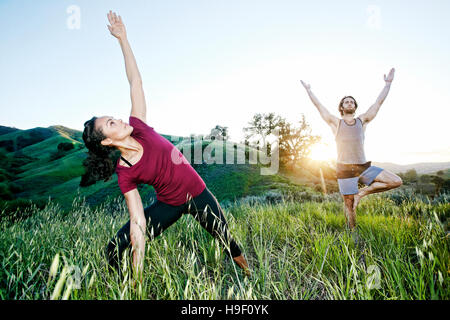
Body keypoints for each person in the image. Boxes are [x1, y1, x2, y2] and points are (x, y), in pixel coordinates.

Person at [80, 11, 250, 284]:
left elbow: (136, 82)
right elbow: (138, 222)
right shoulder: (125, 173)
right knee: (113, 248)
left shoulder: (140, 127)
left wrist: (123, 39)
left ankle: (250, 274)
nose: (120, 119)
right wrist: (138, 268)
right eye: (111, 122)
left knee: (226, 239)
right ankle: (125, 286)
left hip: (198, 194)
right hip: (168, 205)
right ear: (107, 141)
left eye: (114, 116)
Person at [300, 68, 402, 230]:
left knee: (396, 181)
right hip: (344, 169)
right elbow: (319, 106)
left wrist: (388, 84)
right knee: (349, 204)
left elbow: (378, 103)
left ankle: (361, 194)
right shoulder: (335, 123)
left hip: (363, 167)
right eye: (346, 101)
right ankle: (353, 233)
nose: (349, 103)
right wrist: (309, 91)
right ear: (341, 107)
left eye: (352, 102)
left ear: (355, 107)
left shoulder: (363, 121)